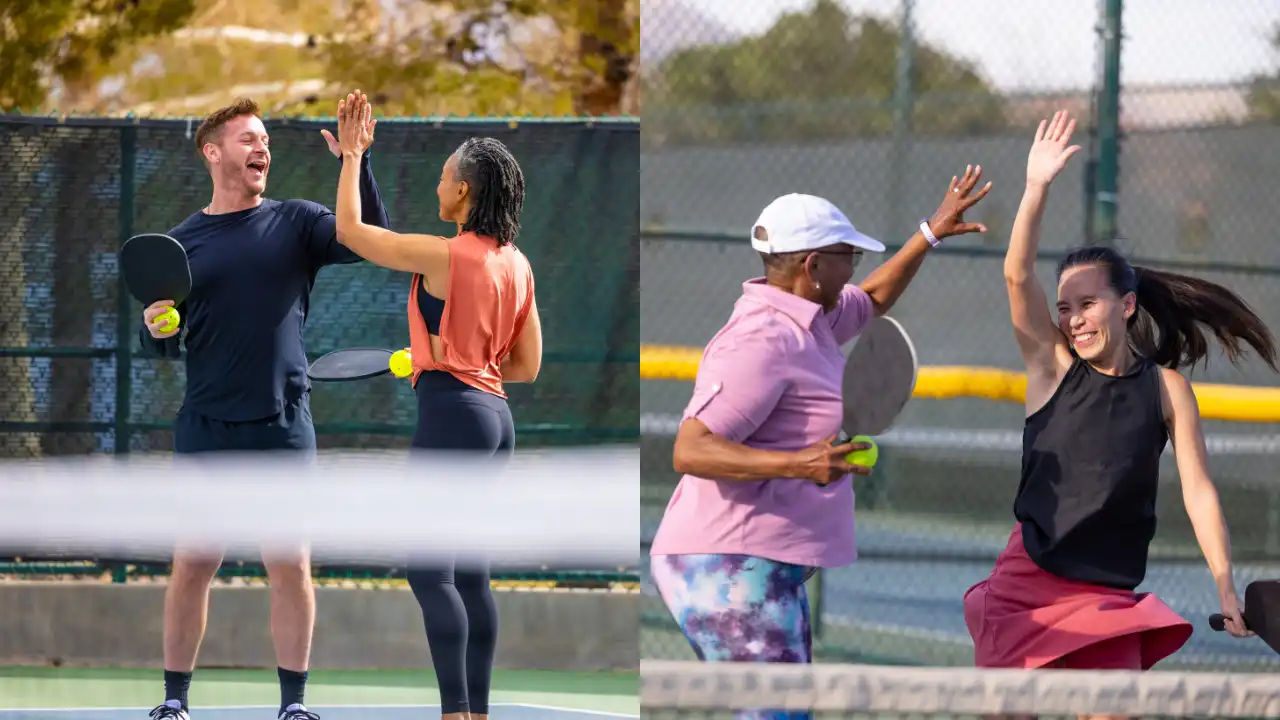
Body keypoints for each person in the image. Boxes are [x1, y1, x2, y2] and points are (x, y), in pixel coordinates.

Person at [647, 166, 992, 687]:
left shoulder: (814, 317)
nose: (853, 268)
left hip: (761, 564)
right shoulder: (762, 339)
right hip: (726, 565)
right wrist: (800, 464)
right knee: (779, 711)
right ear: (812, 264)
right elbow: (691, 450)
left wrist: (929, 233)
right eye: (846, 258)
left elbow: (873, 299)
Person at [962, 111, 1273, 671]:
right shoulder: (1050, 367)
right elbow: (1016, 274)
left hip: (1107, 595)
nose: (1073, 319)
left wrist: (1226, 585)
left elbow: (1199, 493)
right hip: (1027, 586)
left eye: (1087, 305)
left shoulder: (1167, 390)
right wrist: (1036, 187)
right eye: (1064, 309)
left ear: (1126, 306)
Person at [139, 94, 391, 720]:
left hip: (282, 424)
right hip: (207, 424)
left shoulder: (299, 222)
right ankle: (174, 701)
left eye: (265, 141)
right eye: (248, 138)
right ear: (213, 151)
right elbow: (160, 336)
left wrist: (355, 162)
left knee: (290, 562)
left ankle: (294, 705)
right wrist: (155, 327)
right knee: (194, 561)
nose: (262, 148)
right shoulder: (180, 244)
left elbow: (366, 240)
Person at [329, 92, 541, 720]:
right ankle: (475, 711)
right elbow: (526, 367)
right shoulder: (519, 265)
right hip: (495, 422)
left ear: (465, 191)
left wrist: (352, 157)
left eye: (445, 175)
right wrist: (450, 352)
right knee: (470, 575)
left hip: (454, 417)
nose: (438, 182)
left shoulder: (445, 254)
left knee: (428, 570)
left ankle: (453, 713)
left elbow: (350, 232)